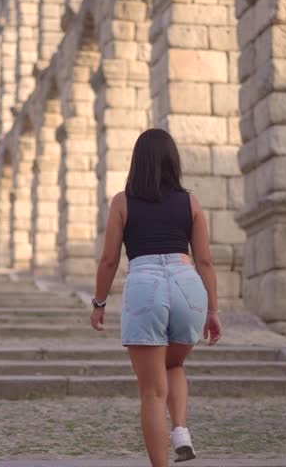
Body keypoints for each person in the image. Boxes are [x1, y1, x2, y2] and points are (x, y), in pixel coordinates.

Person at [90, 128, 222, 466]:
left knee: (151, 390)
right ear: (172, 160)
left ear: (138, 162)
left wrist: (99, 302)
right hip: (187, 282)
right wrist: (213, 310)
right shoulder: (190, 202)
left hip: (145, 284)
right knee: (174, 362)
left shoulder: (122, 202)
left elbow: (109, 259)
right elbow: (205, 260)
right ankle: (180, 429)